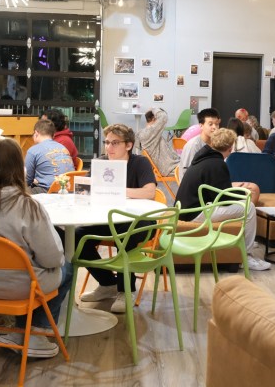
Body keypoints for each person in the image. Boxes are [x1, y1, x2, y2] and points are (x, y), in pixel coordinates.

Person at [0, 139, 70, 359]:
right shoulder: (27, 205)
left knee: (30, 270)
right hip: (21, 287)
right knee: (68, 266)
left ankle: (18, 333)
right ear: (21, 167)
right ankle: (35, 333)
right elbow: (52, 258)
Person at [78, 124, 158, 313]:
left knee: (126, 234)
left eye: (114, 143)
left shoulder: (140, 163)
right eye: (106, 142)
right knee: (75, 234)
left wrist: (118, 191)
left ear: (128, 145)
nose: (108, 147)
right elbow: (88, 190)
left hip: (141, 221)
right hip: (106, 220)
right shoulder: (102, 163)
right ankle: (107, 283)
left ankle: (126, 290)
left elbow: (150, 192)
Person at [174, 128, 271, 272]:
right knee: (248, 207)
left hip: (186, 209)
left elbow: (215, 191)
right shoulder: (218, 164)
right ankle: (247, 256)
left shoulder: (204, 157)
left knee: (242, 205)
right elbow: (224, 199)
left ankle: (243, 243)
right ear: (230, 147)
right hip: (195, 213)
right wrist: (242, 193)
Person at [24, 119, 74, 194]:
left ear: (36, 133)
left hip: (48, 191)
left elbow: (27, 179)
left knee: (17, 192)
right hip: (69, 190)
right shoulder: (63, 148)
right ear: (53, 135)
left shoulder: (33, 151)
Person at [138, 108, 179, 176]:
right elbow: (163, 117)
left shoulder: (150, 134)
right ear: (154, 119)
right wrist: (154, 108)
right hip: (169, 168)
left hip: (172, 165)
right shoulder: (147, 133)